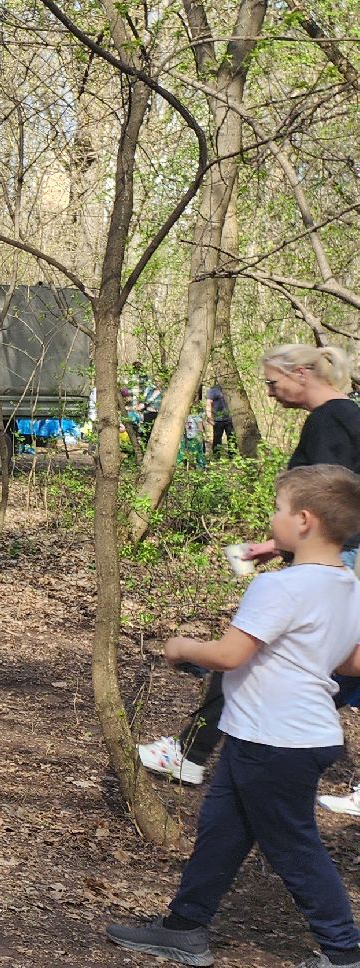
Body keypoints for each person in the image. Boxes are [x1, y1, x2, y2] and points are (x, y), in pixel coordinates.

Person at [105, 464, 360, 968]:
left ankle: (343, 951)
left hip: (276, 740)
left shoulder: (280, 587)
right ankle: (185, 927)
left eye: (278, 508)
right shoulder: (347, 584)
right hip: (274, 734)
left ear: (303, 521)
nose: (272, 518)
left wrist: (181, 646)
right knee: (222, 830)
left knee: (293, 847)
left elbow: (228, 657)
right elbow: (350, 661)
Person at [142, 346, 360, 805]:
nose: (271, 392)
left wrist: (290, 546)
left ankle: (191, 752)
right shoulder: (341, 417)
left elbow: (326, 506)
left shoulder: (331, 421)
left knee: (257, 654)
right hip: (336, 557)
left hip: (339, 560)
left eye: (272, 381)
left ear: (301, 373)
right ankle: (192, 751)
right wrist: (278, 544)